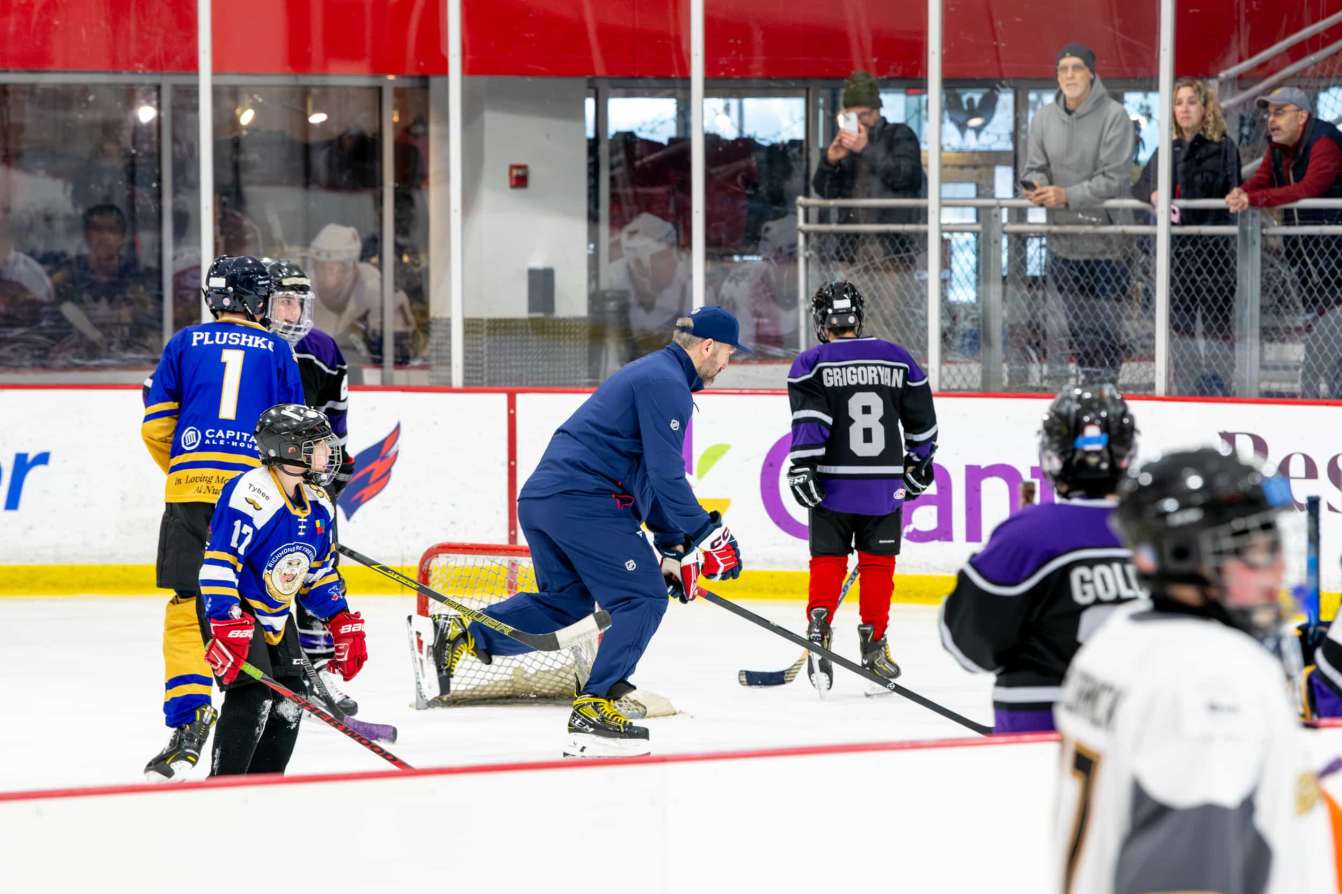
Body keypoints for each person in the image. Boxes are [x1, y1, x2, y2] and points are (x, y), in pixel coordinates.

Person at [432, 306, 747, 757]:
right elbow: (665, 476)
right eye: (728, 355)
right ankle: (594, 703)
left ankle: (466, 632)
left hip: (546, 500)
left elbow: (643, 475)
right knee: (642, 599)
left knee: (567, 603)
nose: (725, 365)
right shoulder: (667, 384)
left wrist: (673, 544)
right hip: (585, 501)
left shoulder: (655, 374)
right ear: (708, 346)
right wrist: (708, 535)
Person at [1053, 447, 1338, 892]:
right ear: (1188, 556)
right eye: (1256, 551)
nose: (1279, 568)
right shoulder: (1210, 681)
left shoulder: (1120, 639)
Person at [140, 254, 305, 782]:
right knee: (252, 602)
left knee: (190, 602)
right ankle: (257, 697)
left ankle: (190, 717)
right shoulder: (278, 350)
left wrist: (188, 472)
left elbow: (155, 428)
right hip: (253, 497)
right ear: (257, 300)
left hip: (190, 490)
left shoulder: (184, 343)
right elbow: (294, 435)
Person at [939, 385, 1138, 733]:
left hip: (1038, 730)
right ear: (1126, 453)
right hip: (1146, 728)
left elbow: (967, 647)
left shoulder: (1026, 535)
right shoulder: (1162, 533)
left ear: (1053, 454)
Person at [198, 404, 367, 776]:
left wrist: (340, 620)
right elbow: (219, 562)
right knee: (253, 694)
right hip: (234, 608)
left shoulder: (320, 504)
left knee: (292, 699)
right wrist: (226, 619)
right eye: (318, 445)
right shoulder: (251, 493)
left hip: (275, 612)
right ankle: (222, 786)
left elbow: (317, 575)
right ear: (289, 449)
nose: (328, 452)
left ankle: (265, 786)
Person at [785, 281, 937, 691]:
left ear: (822, 320)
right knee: (878, 564)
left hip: (831, 485)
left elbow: (811, 423)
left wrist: (802, 467)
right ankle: (873, 644)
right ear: (858, 316)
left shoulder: (811, 363)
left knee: (827, 560)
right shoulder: (898, 359)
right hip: (883, 486)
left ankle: (818, 629)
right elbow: (923, 423)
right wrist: (919, 464)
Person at [264, 258, 358, 712]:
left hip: (308, 481)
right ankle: (272, 666)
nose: (292, 313)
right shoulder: (249, 345)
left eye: (299, 303)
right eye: (283, 302)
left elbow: (335, 414)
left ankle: (319, 667)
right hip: (258, 485)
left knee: (315, 572)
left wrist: (335, 464)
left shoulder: (322, 347)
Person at [1022, 43, 1135, 385]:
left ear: (1091, 73)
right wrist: (1036, 186)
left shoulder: (1115, 116)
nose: (1068, 75)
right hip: (1064, 242)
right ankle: (1090, 387)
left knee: (1105, 325)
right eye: (1062, 69)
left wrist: (1065, 195)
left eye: (1075, 68)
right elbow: (1034, 167)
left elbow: (1114, 179)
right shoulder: (1043, 118)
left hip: (1109, 245)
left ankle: (1106, 390)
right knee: (1078, 326)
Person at [1134, 78, 1240, 396]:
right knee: (1179, 327)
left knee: (1216, 326)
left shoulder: (1223, 148)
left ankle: (1220, 387)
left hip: (1214, 254)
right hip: (1177, 254)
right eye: (1179, 103)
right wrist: (1152, 192)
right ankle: (1188, 389)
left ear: (1205, 108)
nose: (1184, 109)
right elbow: (1139, 186)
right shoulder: (1167, 148)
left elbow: (1234, 190)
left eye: (1191, 101)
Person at [811, 70, 926, 353]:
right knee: (850, 317)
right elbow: (824, 189)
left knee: (892, 316)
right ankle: (856, 362)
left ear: (877, 111)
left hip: (892, 248)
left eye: (864, 115)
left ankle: (892, 368)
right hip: (854, 247)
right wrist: (830, 161)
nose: (859, 122)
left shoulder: (900, 135)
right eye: (852, 116)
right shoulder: (846, 146)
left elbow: (906, 176)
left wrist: (866, 149)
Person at [50, 203, 160, 362]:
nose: (104, 237)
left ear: (123, 237)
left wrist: (134, 313)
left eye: (112, 231)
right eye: (97, 230)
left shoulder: (139, 277)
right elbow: (50, 320)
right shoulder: (68, 277)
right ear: (86, 235)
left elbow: (154, 317)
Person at [307, 222, 415, 370]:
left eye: (334, 268)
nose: (326, 276)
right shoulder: (304, 292)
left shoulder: (379, 293)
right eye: (321, 266)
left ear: (350, 267)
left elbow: (400, 354)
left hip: (370, 378)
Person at [606, 212, 690, 360]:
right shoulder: (612, 288)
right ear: (639, 265)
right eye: (663, 257)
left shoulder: (690, 289)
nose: (674, 262)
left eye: (673, 254)